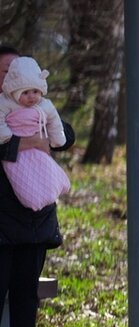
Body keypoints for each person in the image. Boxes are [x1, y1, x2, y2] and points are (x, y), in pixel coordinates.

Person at [0, 45, 75, 327]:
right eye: (4, 71)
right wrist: (24, 144)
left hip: (34, 217)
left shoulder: (36, 105)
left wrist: (44, 137)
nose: (10, 76)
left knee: (26, 290)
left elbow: (64, 135)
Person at [0, 56, 71, 211]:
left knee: (45, 171)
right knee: (23, 177)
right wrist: (8, 137)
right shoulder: (5, 103)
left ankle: (55, 187)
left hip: (39, 152)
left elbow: (56, 122)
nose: (32, 96)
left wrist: (57, 138)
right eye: (25, 92)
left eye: (35, 91)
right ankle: (33, 198)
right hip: (16, 156)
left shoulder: (43, 105)